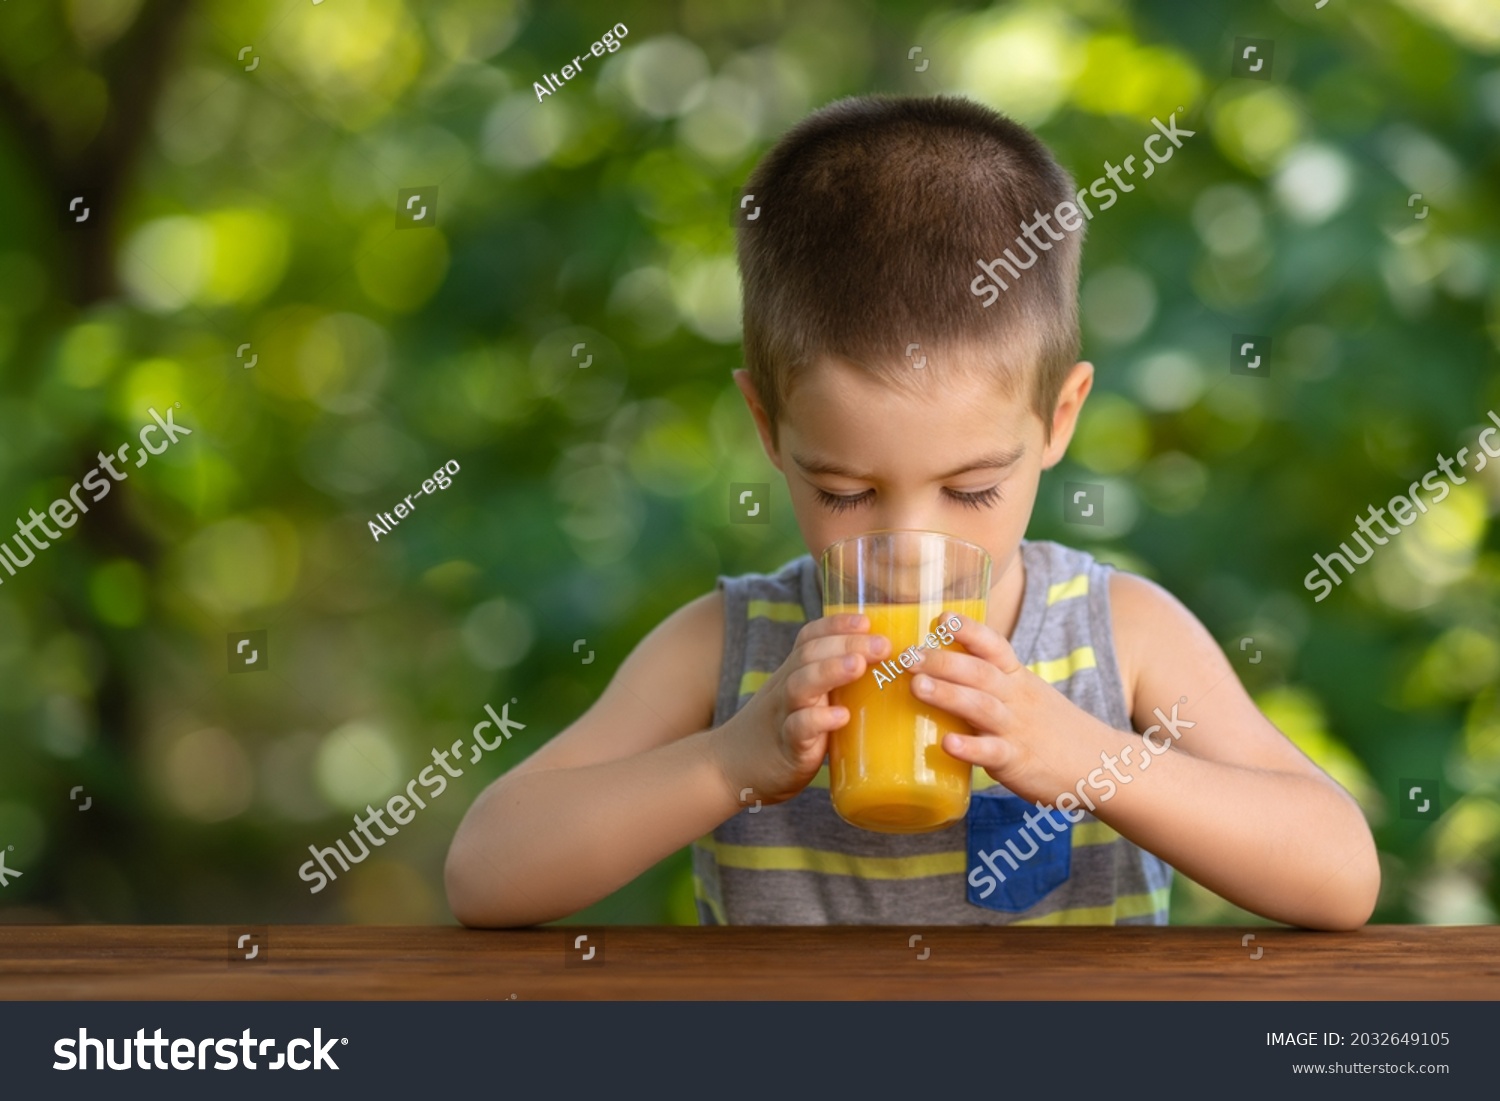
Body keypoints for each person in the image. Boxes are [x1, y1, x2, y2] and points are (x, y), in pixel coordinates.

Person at [445, 95, 1379, 929]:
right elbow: (488, 871)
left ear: (1058, 419)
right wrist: (730, 759)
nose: (907, 547)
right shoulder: (730, 649)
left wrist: (1093, 758)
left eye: (971, 488)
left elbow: (1339, 872)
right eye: (846, 493)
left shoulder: (1119, 637)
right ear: (768, 428)